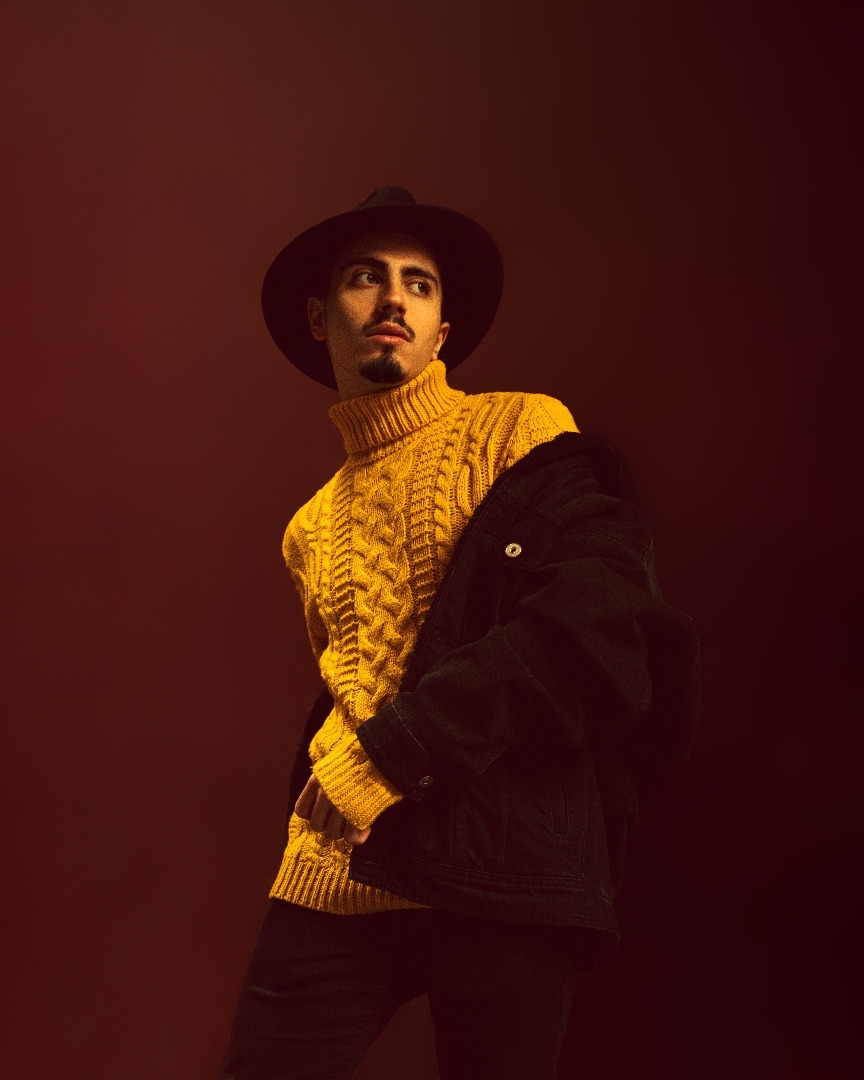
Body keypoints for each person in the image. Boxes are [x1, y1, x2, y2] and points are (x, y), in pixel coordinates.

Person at [219, 187, 700, 1080]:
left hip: (500, 859)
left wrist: (392, 755)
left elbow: (587, 622)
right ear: (322, 317)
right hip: (342, 864)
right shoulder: (308, 527)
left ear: (442, 331)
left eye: (420, 284)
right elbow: (356, 680)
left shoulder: (522, 427)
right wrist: (338, 784)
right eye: (366, 278)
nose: (393, 299)